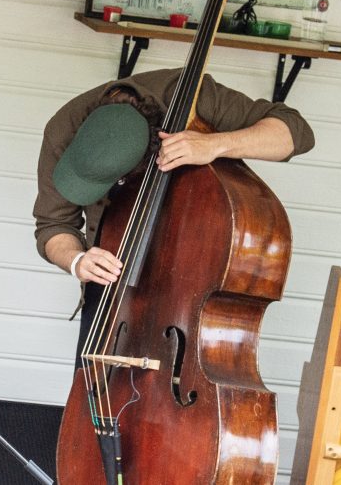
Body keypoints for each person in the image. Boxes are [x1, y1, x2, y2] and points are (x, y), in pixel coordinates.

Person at [33, 67, 315, 366]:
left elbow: (296, 132)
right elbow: (53, 224)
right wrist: (77, 260)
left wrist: (216, 143)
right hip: (115, 291)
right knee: (92, 393)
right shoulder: (62, 131)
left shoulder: (194, 96)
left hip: (187, 288)